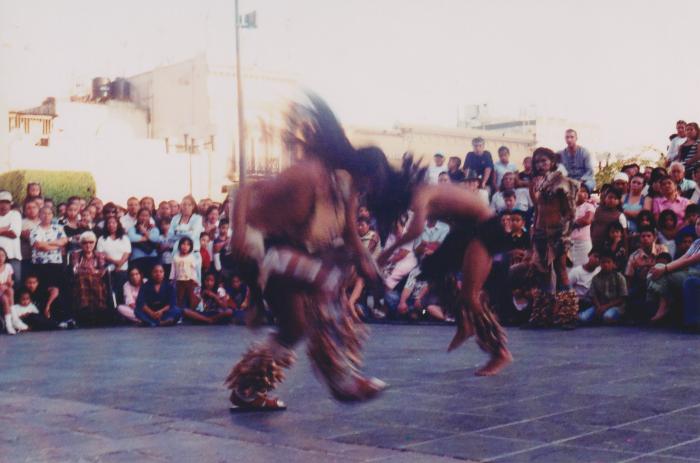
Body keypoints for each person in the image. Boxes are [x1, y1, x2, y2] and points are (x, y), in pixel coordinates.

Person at [226, 94, 395, 409]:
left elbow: (349, 235)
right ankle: (340, 377)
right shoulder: (309, 173)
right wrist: (237, 233)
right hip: (263, 251)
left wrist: (366, 260)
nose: (364, 191)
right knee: (326, 280)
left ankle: (246, 390)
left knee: (294, 329)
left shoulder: (344, 185)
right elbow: (245, 189)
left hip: (289, 255)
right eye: (367, 182)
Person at [378, 157, 513, 376]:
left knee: (470, 296)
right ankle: (464, 321)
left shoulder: (422, 192)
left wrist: (385, 254)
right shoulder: (420, 195)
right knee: (431, 268)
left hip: (485, 229)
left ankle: (500, 352)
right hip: (465, 232)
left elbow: (414, 231)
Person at [527, 147, 580, 328]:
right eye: (537, 162)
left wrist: (563, 233)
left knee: (560, 270)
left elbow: (570, 212)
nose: (540, 165)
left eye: (544, 161)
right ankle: (543, 315)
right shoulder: (536, 181)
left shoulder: (563, 182)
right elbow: (538, 207)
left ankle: (568, 315)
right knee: (541, 272)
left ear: (552, 162)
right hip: (541, 232)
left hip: (558, 233)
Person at [648, 217, 700, 322]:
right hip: (689, 271)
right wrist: (663, 268)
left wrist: (666, 269)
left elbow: (689, 261)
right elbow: (683, 258)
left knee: (663, 273)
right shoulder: (697, 242)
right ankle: (661, 303)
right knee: (657, 268)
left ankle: (664, 304)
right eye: (697, 224)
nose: (698, 227)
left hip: (696, 273)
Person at [71, 231, 110, 326]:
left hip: (97, 281)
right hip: (81, 281)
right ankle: (85, 312)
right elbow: (76, 270)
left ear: (94, 243)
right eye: (85, 242)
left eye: (91, 242)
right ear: (81, 244)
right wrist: (92, 271)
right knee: (82, 279)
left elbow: (102, 271)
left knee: (92, 280)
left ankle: (98, 313)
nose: (88, 245)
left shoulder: (99, 255)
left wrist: (88, 271)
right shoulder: (76, 255)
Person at [578, 251, 627, 324]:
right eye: (603, 262)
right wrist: (598, 307)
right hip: (600, 305)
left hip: (615, 306)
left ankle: (616, 318)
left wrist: (606, 307)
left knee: (607, 317)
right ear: (600, 264)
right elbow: (593, 295)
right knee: (582, 318)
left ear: (613, 264)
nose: (606, 264)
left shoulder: (619, 277)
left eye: (608, 262)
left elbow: (622, 298)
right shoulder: (596, 278)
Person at [29, 206, 67, 292]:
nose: (46, 216)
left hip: (55, 262)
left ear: (53, 215)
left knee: (55, 289)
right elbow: (38, 245)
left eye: (49, 213)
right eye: (44, 213)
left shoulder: (58, 228)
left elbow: (64, 241)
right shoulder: (35, 230)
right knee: (42, 289)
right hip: (39, 264)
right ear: (39, 215)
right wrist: (56, 245)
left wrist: (46, 244)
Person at [168, 195, 203, 285]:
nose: (186, 207)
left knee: (194, 282)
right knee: (177, 282)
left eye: (189, 205)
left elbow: (192, 236)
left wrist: (178, 231)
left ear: (193, 206)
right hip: (177, 254)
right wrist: (187, 231)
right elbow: (170, 235)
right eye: (184, 204)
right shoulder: (175, 218)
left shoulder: (197, 218)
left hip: (193, 254)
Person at [97, 216, 131, 308]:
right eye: (109, 223)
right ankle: (112, 312)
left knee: (122, 290)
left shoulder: (124, 238)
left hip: (123, 268)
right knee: (110, 291)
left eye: (114, 223)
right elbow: (101, 254)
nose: (111, 225)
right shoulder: (102, 239)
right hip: (108, 269)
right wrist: (115, 262)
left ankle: (122, 311)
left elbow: (127, 253)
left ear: (118, 224)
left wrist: (119, 265)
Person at [127, 208, 160, 278]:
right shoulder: (132, 229)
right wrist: (147, 238)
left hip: (152, 258)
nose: (144, 218)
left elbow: (155, 239)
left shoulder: (154, 228)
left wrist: (144, 232)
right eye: (142, 215)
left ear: (150, 217)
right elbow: (132, 238)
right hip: (137, 259)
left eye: (146, 215)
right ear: (138, 217)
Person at [0, 191, 22, 287]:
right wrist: (5, 228)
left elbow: (14, 233)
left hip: (13, 255)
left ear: (10, 204)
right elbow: (9, 232)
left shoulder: (15, 214)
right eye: (1, 202)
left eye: (7, 202)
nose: (4, 205)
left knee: (15, 283)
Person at [170, 237, 200, 310]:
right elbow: (173, 269)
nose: (185, 246)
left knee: (191, 297)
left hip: (189, 280)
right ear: (180, 245)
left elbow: (194, 270)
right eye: (183, 244)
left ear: (190, 247)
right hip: (179, 281)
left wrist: (195, 279)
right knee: (179, 297)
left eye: (188, 245)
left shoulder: (191, 257)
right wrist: (171, 279)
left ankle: (192, 312)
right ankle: (179, 314)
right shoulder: (176, 257)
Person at [570, 185, 596, 267]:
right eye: (582, 191)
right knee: (569, 268)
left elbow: (587, 220)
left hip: (583, 243)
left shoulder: (589, 206)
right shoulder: (569, 206)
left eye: (586, 192)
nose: (585, 194)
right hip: (569, 243)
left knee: (584, 267)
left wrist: (570, 223)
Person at [20, 199, 40, 280]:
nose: (32, 210)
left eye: (34, 207)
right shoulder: (21, 223)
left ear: (38, 209)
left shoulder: (44, 221)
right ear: (24, 211)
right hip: (26, 256)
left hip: (41, 257)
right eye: (28, 208)